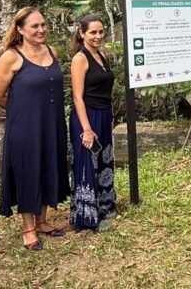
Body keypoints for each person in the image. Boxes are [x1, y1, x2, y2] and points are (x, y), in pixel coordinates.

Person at [0, 7, 69, 249]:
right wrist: (22, 110)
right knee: (28, 171)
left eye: (43, 25)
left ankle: (43, 221)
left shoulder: (53, 52)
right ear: (20, 29)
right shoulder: (11, 57)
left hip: (52, 122)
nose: (41, 30)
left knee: (48, 166)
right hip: (25, 126)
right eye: (34, 26)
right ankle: (28, 228)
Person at [69, 14, 117, 230]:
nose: (98, 36)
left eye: (100, 31)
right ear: (82, 33)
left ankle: (104, 206)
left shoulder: (100, 55)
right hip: (86, 116)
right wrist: (86, 128)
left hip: (103, 114)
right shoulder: (81, 58)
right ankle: (87, 217)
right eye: (93, 32)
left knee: (104, 161)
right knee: (87, 163)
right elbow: (77, 96)